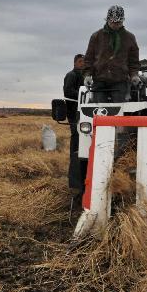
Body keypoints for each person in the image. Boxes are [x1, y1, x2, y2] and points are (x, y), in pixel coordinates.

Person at [83, 5, 140, 102]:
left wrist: (134, 75)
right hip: (99, 81)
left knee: (119, 113)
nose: (115, 24)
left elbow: (133, 61)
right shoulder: (96, 36)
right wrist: (87, 75)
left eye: (118, 22)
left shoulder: (130, 38)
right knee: (100, 112)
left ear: (122, 21)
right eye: (112, 22)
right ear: (107, 20)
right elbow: (89, 58)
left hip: (120, 81)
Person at [63, 54, 85, 193]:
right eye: (80, 61)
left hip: (83, 112)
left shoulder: (85, 76)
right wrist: (84, 94)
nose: (83, 64)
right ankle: (75, 163)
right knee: (76, 139)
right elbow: (68, 91)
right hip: (74, 113)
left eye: (84, 62)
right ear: (75, 62)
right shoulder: (71, 75)